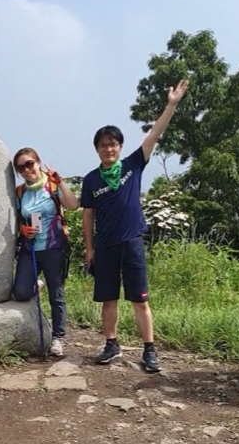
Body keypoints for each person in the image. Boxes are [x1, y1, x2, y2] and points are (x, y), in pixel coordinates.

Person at [79, 79, 189, 373]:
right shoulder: (91, 180)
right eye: (104, 145)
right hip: (105, 246)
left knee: (140, 301)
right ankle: (111, 344)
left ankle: (149, 350)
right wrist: (89, 249)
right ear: (97, 149)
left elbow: (155, 134)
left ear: (120, 146)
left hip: (131, 242)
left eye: (113, 144)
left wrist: (171, 105)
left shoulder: (132, 165)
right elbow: (87, 215)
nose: (109, 149)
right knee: (108, 299)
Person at [10, 148, 79, 357]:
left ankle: (58, 337)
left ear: (38, 162)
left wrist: (61, 182)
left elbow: (73, 205)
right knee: (21, 292)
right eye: (21, 167)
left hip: (54, 247)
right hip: (30, 247)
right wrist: (23, 229)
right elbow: (17, 218)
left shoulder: (52, 185)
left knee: (56, 294)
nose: (26, 170)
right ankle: (36, 285)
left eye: (29, 164)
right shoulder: (20, 192)